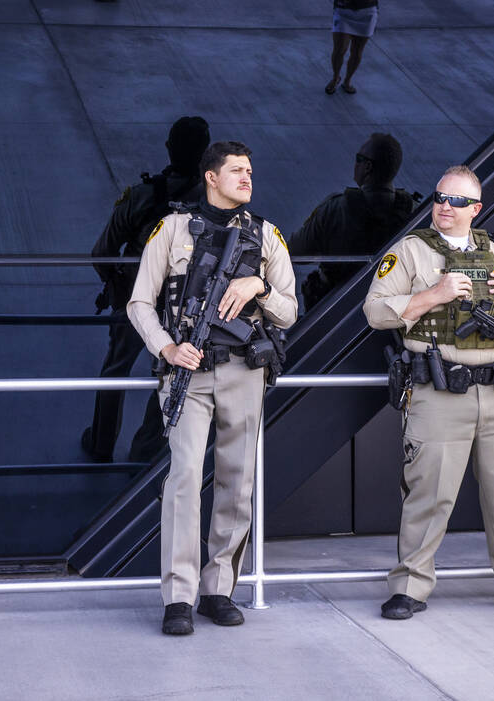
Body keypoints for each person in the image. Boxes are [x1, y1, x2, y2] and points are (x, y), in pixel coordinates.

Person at [363, 165, 494, 620]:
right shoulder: (411, 252)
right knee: (428, 495)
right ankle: (410, 587)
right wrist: (433, 296)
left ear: (475, 208)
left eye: (455, 201)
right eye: (438, 197)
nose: (443, 207)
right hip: (438, 391)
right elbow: (375, 312)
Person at [128, 140, 297, 635]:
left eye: (250, 170)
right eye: (236, 170)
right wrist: (165, 348)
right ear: (210, 176)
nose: (247, 178)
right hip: (188, 371)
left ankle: (218, 589)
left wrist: (259, 288)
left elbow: (289, 310)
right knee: (183, 480)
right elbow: (140, 303)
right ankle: (178, 597)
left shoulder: (267, 236)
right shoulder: (174, 229)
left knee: (236, 481)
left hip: (245, 372)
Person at [84, 116, 210, 463]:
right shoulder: (212, 206)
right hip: (184, 308)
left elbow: (102, 252)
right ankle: (145, 451)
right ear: (204, 155)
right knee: (171, 374)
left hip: (136, 302)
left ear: (169, 147)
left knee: (115, 371)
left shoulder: (141, 196)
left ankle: (100, 443)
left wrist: (117, 285)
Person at [289, 133, 418, 311]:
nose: (354, 164)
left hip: (333, 310)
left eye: (359, 159)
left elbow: (296, 252)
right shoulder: (415, 213)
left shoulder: (335, 208)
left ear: (368, 167)